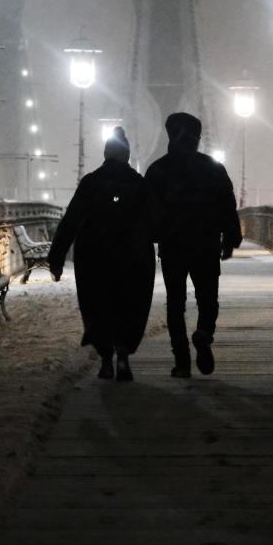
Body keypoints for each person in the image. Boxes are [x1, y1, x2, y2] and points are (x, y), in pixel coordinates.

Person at [47, 127, 157, 382]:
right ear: (127, 156)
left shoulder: (91, 182)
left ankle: (106, 359)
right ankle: (123, 356)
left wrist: (56, 259)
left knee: (99, 305)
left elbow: (70, 221)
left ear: (106, 154)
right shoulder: (140, 184)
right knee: (131, 305)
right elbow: (155, 221)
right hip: (133, 257)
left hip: (95, 257)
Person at [144, 112, 242, 378]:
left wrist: (154, 235)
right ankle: (204, 334)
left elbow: (147, 210)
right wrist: (231, 238)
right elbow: (227, 205)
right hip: (206, 244)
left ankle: (182, 362)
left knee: (175, 304)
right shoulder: (213, 168)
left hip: (172, 246)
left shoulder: (157, 170)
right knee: (208, 299)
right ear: (197, 138)